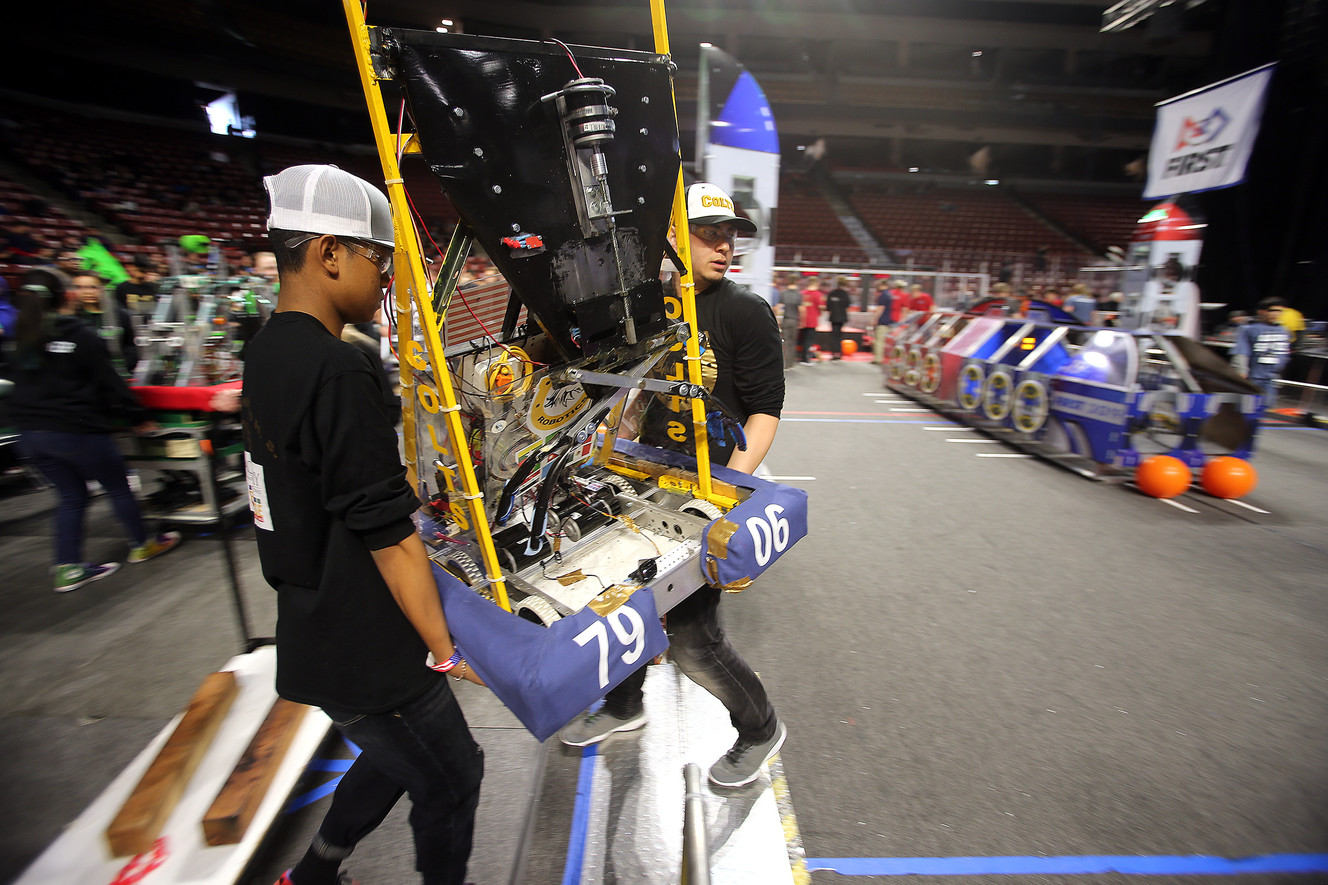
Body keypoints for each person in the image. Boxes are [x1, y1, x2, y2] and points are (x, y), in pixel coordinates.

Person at [241, 165, 484, 885]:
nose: (384, 280)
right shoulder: (338, 368)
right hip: (365, 644)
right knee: (452, 776)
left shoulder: (266, 351)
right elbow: (386, 532)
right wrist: (443, 649)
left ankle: (313, 874)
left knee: (397, 754)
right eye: (378, 261)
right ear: (328, 253)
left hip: (313, 620)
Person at [560, 182, 788, 789]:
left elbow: (765, 409)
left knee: (691, 638)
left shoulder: (745, 311)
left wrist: (728, 488)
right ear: (672, 241)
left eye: (729, 235)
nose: (723, 245)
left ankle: (761, 727)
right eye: (708, 233)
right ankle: (625, 702)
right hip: (646, 472)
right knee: (628, 598)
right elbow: (633, 388)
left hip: (708, 485)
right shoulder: (652, 306)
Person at [5, 267, 180, 592]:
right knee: (117, 487)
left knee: (71, 496)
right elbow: (109, 382)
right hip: (76, 430)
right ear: (67, 295)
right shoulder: (81, 334)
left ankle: (67, 567)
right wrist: (136, 416)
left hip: (30, 435)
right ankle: (143, 543)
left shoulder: (19, 336)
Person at [70, 271, 138, 373]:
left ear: (102, 288)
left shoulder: (121, 316)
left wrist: (124, 365)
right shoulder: (70, 318)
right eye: (79, 287)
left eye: (93, 287)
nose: (87, 292)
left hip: (116, 372)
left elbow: (132, 345)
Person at [1231, 296, 1291, 409]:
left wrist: (1279, 371)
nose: (1275, 314)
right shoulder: (1249, 329)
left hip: (1271, 378)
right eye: (1272, 310)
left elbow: (1284, 354)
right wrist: (1241, 371)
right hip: (1252, 377)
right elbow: (1241, 352)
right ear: (1261, 311)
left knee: (1266, 407)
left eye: (1279, 311)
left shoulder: (1284, 331)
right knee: (1245, 409)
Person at [798, 277, 827, 365]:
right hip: (812, 320)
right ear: (817, 284)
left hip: (802, 320)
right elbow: (822, 307)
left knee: (802, 339)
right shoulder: (818, 294)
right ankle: (806, 358)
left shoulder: (802, 293)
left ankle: (801, 356)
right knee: (809, 340)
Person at [776, 277, 803, 369]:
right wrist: (801, 321)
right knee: (793, 341)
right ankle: (791, 362)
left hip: (786, 320)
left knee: (786, 342)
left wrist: (778, 320)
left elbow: (780, 308)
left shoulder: (783, 294)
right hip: (794, 320)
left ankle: (785, 363)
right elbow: (801, 309)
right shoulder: (799, 294)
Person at [824, 277, 851, 360]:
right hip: (842, 317)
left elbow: (828, 307)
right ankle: (839, 353)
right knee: (839, 335)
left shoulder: (832, 293)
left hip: (834, 317)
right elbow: (847, 306)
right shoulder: (845, 294)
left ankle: (834, 353)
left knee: (834, 335)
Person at [871, 278, 894, 364]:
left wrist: (874, 319)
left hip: (883, 321)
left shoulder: (883, 295)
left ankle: (878, 359)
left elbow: (881, 308)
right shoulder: (891, 294)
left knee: (879, 340)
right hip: (892, 321)